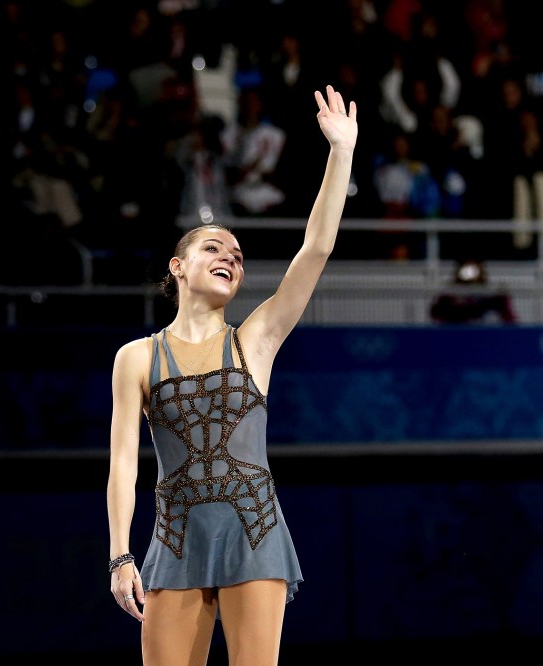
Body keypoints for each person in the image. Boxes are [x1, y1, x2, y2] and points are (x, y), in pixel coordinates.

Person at [106, 84, 357, 665]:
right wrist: (120, 555)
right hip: (174, 539)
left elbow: (315, 249)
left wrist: (340, 152)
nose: (231, 259)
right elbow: (122, 462)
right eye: (216, 247)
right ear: (179, 267)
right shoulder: (137, 357)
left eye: (239, 257)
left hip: (254, 529)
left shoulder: (256, 340)